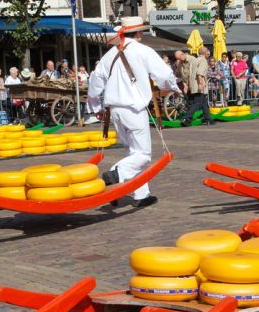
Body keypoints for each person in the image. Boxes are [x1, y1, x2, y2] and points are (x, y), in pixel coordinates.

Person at [87, 15, 179, 208]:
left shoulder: (110, 53)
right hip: (134, 109)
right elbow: (164, 75)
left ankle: (141, 194)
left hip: (114, 110)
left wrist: (95, 107)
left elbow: (96, 80)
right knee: (143, 154)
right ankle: (115, 175)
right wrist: (174, 87)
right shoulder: (143, 51)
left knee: (132, 152)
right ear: (138, 33)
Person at [182, 46, 211, 126]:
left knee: (204, 102)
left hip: (193, 84)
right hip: (198, 84)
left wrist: (188, 84)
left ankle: (208, 119)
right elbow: (200, 73)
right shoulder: (203, 60)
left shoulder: (194, 60)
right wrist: (200, 84)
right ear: (205, 53)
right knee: (197, 103)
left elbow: (189, 73)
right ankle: (186, 118)